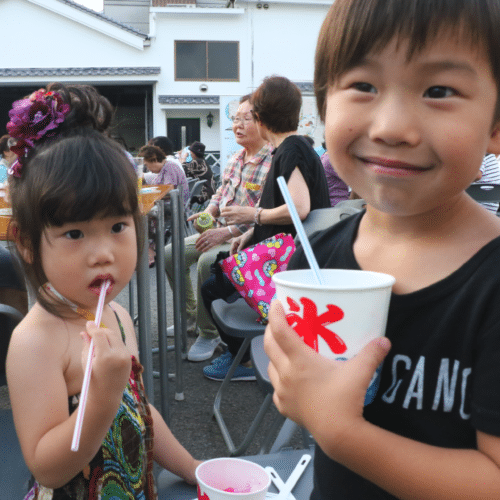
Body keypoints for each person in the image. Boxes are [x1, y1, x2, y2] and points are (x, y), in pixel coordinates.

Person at [264, 0, 500, 499]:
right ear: (325, 105)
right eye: (364, 86)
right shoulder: (314, 256)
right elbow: (299, 385)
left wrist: (340, 432)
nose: (391, 127)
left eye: (439, 91)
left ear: (496, 125)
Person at [5, 83, 200, 499]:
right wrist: (100, 398)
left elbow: (139, 413)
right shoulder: (35, 342)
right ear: (26, 242)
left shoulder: (117, 316)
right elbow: (47, 467)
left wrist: (192, 468)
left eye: (117, 227)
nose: (103, 254)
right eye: (74, 233)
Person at [201, 77, 330, 381]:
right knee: (217, 279)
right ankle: (247, 353)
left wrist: (253, 216)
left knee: (212, 288)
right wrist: (248, 233)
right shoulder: (294, 147)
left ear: (260, 119)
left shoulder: (291, 150)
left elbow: (299, 208)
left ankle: (243, 360)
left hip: (284, 270)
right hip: (286, 262)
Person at [164, 95, 273, 362]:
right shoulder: (236, 158)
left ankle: (209, 333)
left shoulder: (273, 160)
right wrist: (209, 211)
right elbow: (220, 194)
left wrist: (225, 233)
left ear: (263, 123)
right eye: (236, 118)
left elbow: (263, 214)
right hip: (219, 230)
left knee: (206, 261)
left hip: (246, 238)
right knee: (170, 253)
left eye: (246, 118)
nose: (238, 124)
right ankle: (191, 316)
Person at [179, 141, 216, 207]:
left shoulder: (197, 162)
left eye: (191, 151)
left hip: (203, 194)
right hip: (209, 192)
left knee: (180, 198)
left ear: (194, 152)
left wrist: (183, 157)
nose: (189, 153)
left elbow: (182, 169)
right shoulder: (201, 161)